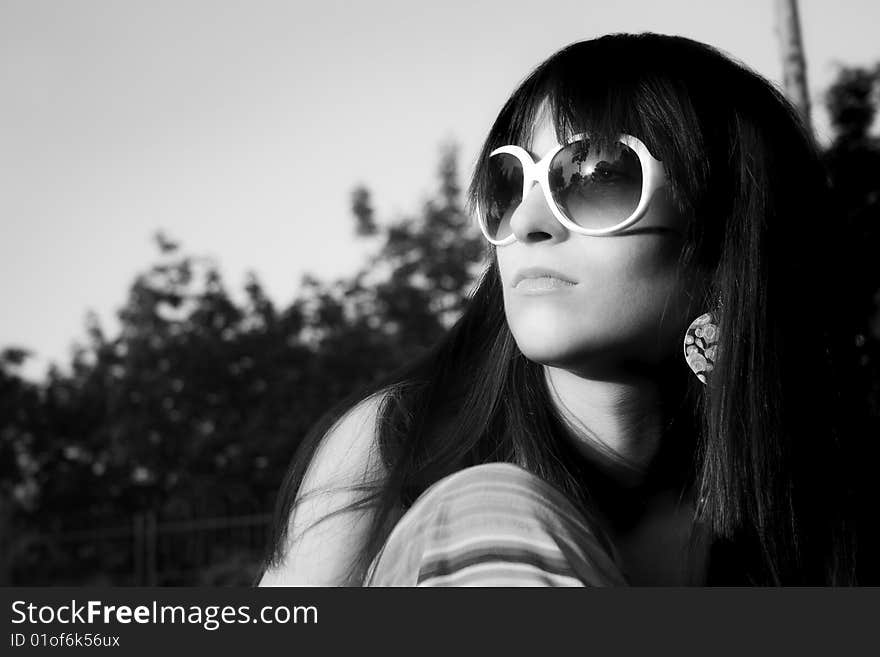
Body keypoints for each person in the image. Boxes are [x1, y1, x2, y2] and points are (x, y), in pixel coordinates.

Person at [256, 32, 860, 586]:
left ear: (725, 238)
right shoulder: (396, 442)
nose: (526, 221)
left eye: (596, 176)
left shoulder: (813, 508)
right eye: (510, 184)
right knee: (486, 510)